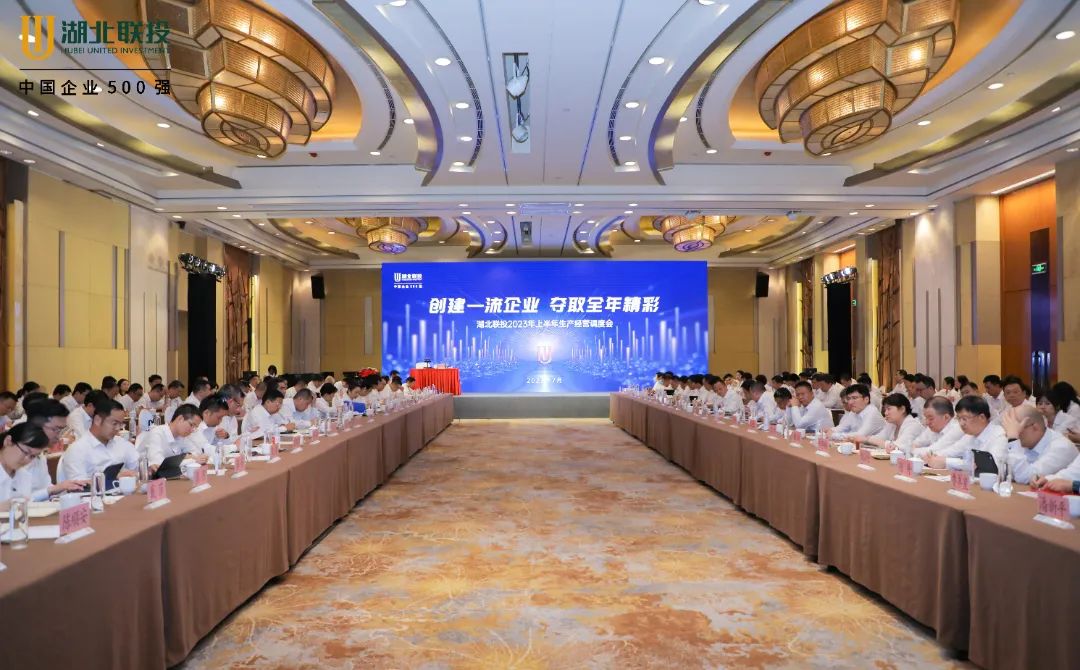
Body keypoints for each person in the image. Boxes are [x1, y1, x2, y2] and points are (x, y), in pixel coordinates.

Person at [61, 399, 139, 481]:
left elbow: (138, 466)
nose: (118, 428)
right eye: (114, 423)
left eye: (120, 424)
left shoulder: (121, 443)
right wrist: (113, 478)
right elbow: (78, 485)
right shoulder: (77, 450)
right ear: (97, 420)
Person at [22, 399, 86, 499]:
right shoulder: (17, 454)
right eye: (55, 429)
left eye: (60, 430)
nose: (58, 436)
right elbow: (14, 502)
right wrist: (53, 490)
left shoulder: (40, 453)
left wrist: (66, 486)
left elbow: (46, 487)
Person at [1004, 406, 1077, 485]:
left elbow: (1025, 478)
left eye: (1016, 429)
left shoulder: (1061, 447)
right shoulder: (1025, 442)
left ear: (1035, 427)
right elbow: (1002, 472)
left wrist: (1013, 439)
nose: (1010, 432)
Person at [941, 395, 1008, 472]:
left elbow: (993, 468)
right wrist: (933, 456)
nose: (961, 423)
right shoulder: (970, 435)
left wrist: (947, 461)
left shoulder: (998, 436)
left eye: (964, 418)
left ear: (982, 417)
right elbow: (951, 451)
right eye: (959, 418)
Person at [139, 404, 205, 473]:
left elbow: (196, 453)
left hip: (171, 475)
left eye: (195, 427)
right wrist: (185, 458)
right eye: (191, 425)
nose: (192, 430)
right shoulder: (157, 433)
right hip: (145, 476)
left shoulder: (182, 435)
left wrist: (186, 457)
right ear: (180, 419)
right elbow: (159, 464)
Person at [0, 424, 53, 508]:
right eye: (25, 452)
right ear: (8, 441)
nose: (27, 460)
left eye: (32, 456)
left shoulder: (24, 476)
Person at [857, 393, 923, 454]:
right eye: (885, 410)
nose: (885, 413)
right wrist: (867, 439)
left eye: (889, 409)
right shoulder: (892, 423)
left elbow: (897, 447)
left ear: (902, 409)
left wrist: (867, 439)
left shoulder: (913, 425)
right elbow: (879, 438)